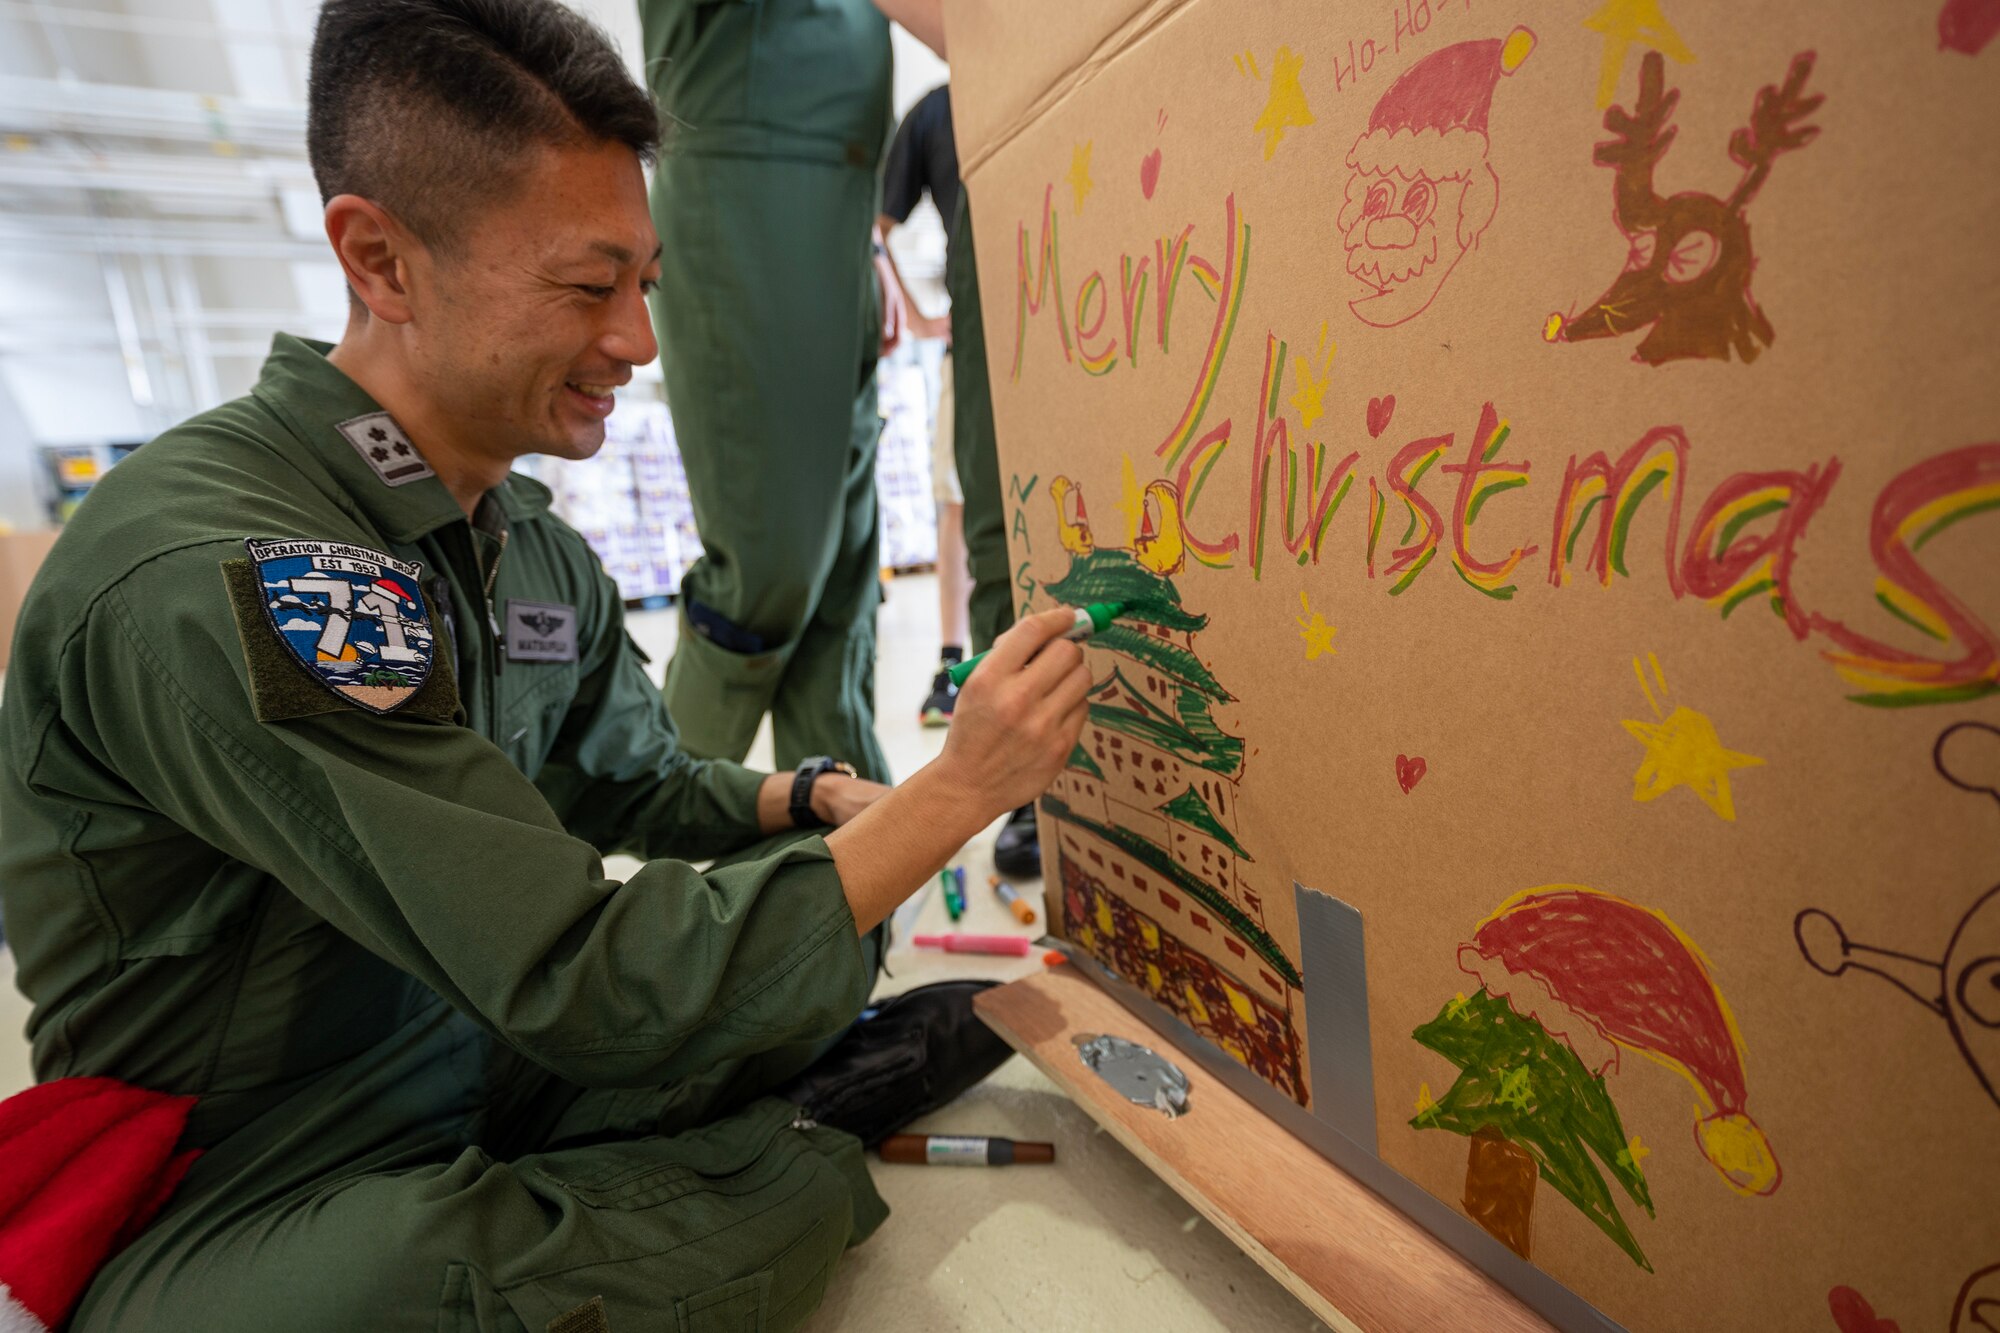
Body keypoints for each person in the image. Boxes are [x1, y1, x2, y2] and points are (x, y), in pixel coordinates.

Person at [0, 2, 1091, 1327]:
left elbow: (620, 774)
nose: (636, 340)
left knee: (811, 945)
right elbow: (574, 972)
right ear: (380, 260)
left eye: (649, 283)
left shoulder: (513, 532)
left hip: (469, 1052)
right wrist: (954, 795)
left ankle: (708, 1149)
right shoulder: (241, 576)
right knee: (457, 1280)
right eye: (589, 287)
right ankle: (788, 1151)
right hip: (242, 1162)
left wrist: (804, 802)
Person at [637, 0, 912, 784]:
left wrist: (865, 244)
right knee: (766, 572)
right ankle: (654, 806)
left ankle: (846, 866)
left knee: (840, 581)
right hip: (751, 196)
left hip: (840, 204)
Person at [876, 84, 967, 728]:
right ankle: (953, 664)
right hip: (974, 338)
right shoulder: (935, 112)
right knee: (957, 498)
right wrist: (913, 312)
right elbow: (877, 229)